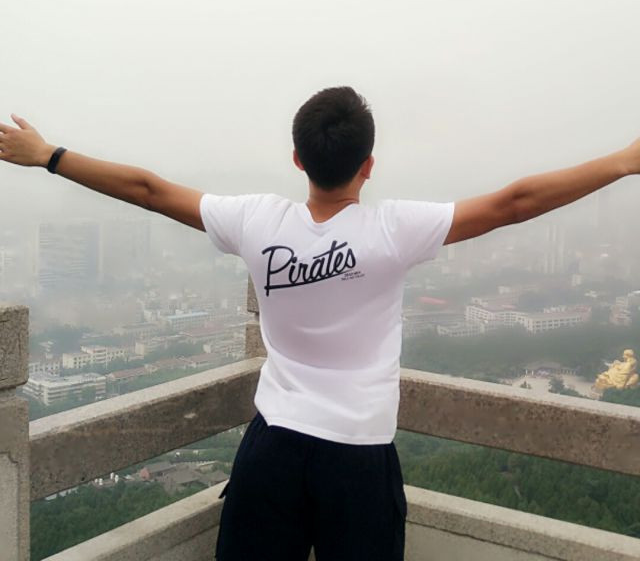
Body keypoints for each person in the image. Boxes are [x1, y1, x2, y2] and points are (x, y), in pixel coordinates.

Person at [1, 86, 639, 560]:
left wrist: (49, 155)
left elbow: (148, 189)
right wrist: (626, 160)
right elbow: (516, 203)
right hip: (358, 459)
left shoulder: (258, 222)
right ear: (369, 163)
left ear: (298, 159)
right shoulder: (393, 231)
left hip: (271, 452)